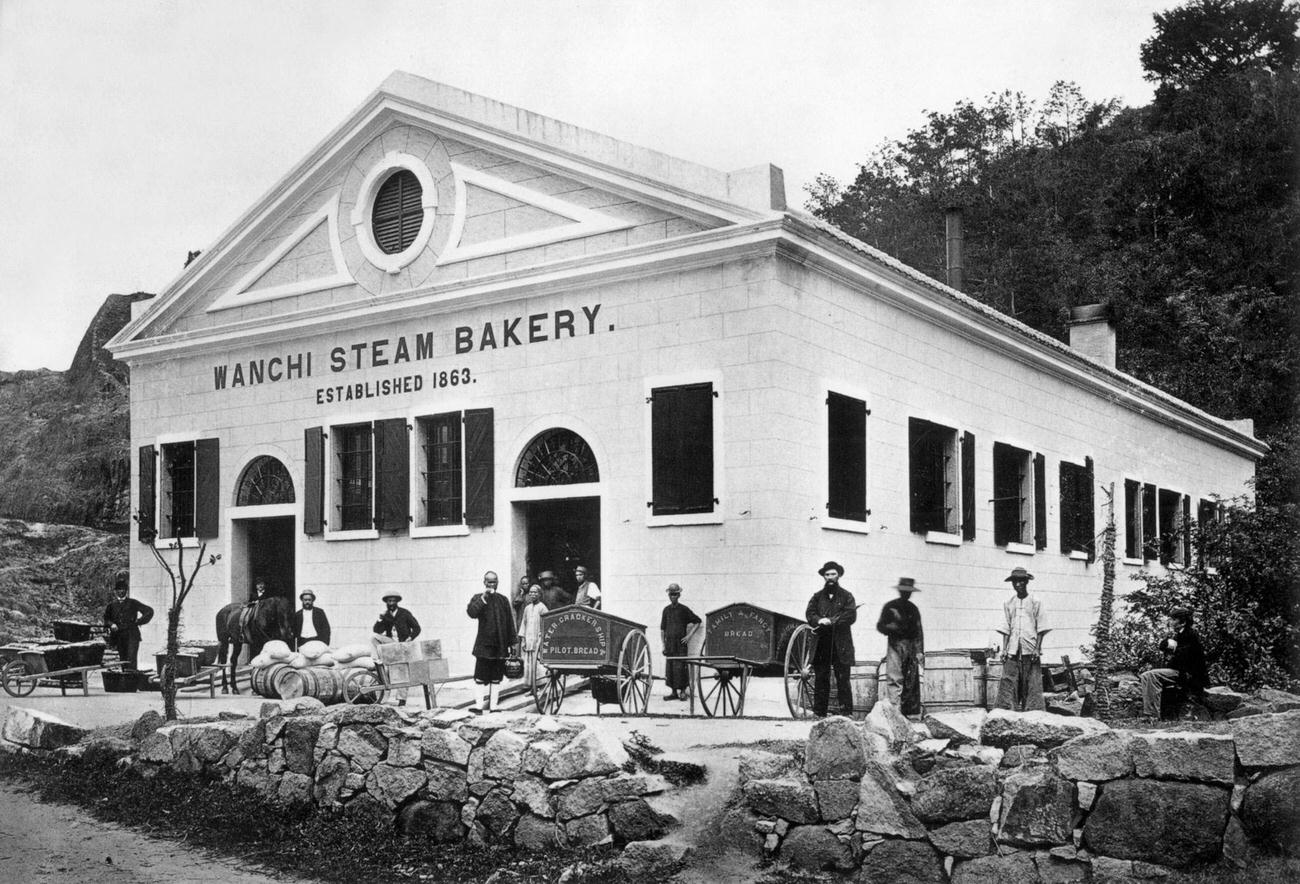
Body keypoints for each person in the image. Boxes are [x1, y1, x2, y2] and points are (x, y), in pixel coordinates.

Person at [805, 561, 857, 718]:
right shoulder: (817, 597)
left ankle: (846, 713)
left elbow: (851, 615)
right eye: (827, 575)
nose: (830, 578)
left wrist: (832, 621)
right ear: (823, 577)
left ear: (839, 575)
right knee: (821, 678)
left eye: (833, 574)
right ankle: (819, 712)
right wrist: (819, 620)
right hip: (822, 643)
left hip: (841, 643)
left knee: (843, 678)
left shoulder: (847, 596)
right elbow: (810, 613)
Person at [1139, 607, 1209, 719]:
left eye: (1174, 619)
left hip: (1189, 675)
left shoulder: (1191, 635)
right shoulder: (1180, 635)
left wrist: (1171, 647)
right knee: (1145, 676)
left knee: (1151, 675)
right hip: (1180, 672)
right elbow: (1177, 657)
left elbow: (1188, 658)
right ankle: (1149, 713)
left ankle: (1152, 716)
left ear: (1183, 622)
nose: (1171, 622)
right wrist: (1169, 647)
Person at [994, 567, 1049, 712]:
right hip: (1013, 650)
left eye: (1020, 581)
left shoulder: (1035, 602)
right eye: (1015, 582)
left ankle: (1033, 714)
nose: (1018, 585)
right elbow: (1006, 628)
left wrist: (1037, 648)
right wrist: (1005, 649)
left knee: (1032, 684)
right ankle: (1006, 713)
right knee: (1008, 682)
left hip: (1030, 649)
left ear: (1026, 582)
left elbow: (1041, 627)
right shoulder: (1009, 603)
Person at [467, 571, 518, 713]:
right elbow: (471, 613)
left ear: (498, 583)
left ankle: (494, 707)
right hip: (483, 646)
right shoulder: (478, 598)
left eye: (494, 582)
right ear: (484, 582)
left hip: (500, 646)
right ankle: (478, 707)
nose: (491, 584)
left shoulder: (503, 600)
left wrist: (513, 643)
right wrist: (483, 598)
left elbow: (509, 623)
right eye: (489, 582)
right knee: (480, 677)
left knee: (496, 677)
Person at [876, 577, 925, 716]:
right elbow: (880, 626)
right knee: (894, 676)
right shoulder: (890, 606)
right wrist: (892, 628)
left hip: (911, 646)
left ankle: (909, 714)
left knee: (911, 679)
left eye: (908, 591)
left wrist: (919, 650)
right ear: (899, 591)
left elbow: (919, 630)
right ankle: (895, 711)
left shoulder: (913, 609)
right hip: (895, 644)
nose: (906, 594)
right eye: (904, 591)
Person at [373, 593, 421, 705]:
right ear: (386, 603)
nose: (391, 603)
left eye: (393, 601)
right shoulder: (386, 616)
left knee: (402, 671)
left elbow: (417, 628)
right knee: (374, 638)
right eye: (389, 601)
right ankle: (377, 658)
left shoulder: (405, 613)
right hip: (391, 643)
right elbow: (377, 630)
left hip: (403, 644)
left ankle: (402, 700)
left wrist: (410, 638)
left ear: (396, 602)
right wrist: (380, 619)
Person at [103, 570, 153, 671]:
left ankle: (132, 683)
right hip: (119, 636)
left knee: (131, 660)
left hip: (132, 635)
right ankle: (124, 683)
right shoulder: (111, 606)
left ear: (126, 591)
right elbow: (106, 619)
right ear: (115, 591)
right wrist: (111, 624)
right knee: (123, 660)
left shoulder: (133, 603)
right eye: (119, 590)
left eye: (123, 589)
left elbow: (149, 611)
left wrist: (138, 622)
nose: (121, 591)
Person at [660, 583, 701, 701]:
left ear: (679, 595)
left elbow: (698, 621)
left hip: (681, 645)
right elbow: (662, 629)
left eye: (675, 594)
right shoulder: (666, 610)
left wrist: (689, 636)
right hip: (670, 645)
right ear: (669, 595)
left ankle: (683, 691)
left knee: (681, 666)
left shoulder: (684, 610)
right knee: (670, 667)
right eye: (671, 594)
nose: (672, 597)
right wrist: (663, 644)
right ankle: (673, 692)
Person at [518, 584, 548, 688]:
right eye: (531, 592)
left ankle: (539, 685)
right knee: (528, 663)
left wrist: (541, 639)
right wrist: (523, 639)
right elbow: (524, 623)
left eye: (535, 592)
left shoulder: (543, 608)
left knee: (537, 663)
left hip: (537, 640)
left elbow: (546, 625)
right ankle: (530, 685)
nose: (532, 594)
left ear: (539, 594)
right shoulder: (527, 608)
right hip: (528, 639)